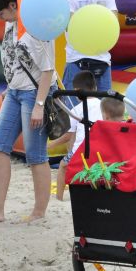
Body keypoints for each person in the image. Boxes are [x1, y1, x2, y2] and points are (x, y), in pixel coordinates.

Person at [0, 0, 57, 223]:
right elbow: (15, 59)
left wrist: (39, 105)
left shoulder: (35, 26)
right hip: (15, 91)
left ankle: (39, 212)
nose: (0, 18)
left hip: (35, 94)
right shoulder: (12, 22)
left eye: (1, 13)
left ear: (13, 5)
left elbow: (48, 70)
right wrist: (9, 86)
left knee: (36, 154)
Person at [62, 0, 118, 97]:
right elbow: (71, 27)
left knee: (102, 115)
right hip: (76, 62)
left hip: (103, 63)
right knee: (75, 115)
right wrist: (99, 24)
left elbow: (113, 24)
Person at [49, 71, 101, 201]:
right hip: (100, 150)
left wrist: (51, 145)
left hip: (82, 151)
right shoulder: (103, 105)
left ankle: (59, 197)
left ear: (76, 91)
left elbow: (68, 135)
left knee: (63, 166)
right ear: (95, 87)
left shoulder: (76, 110)